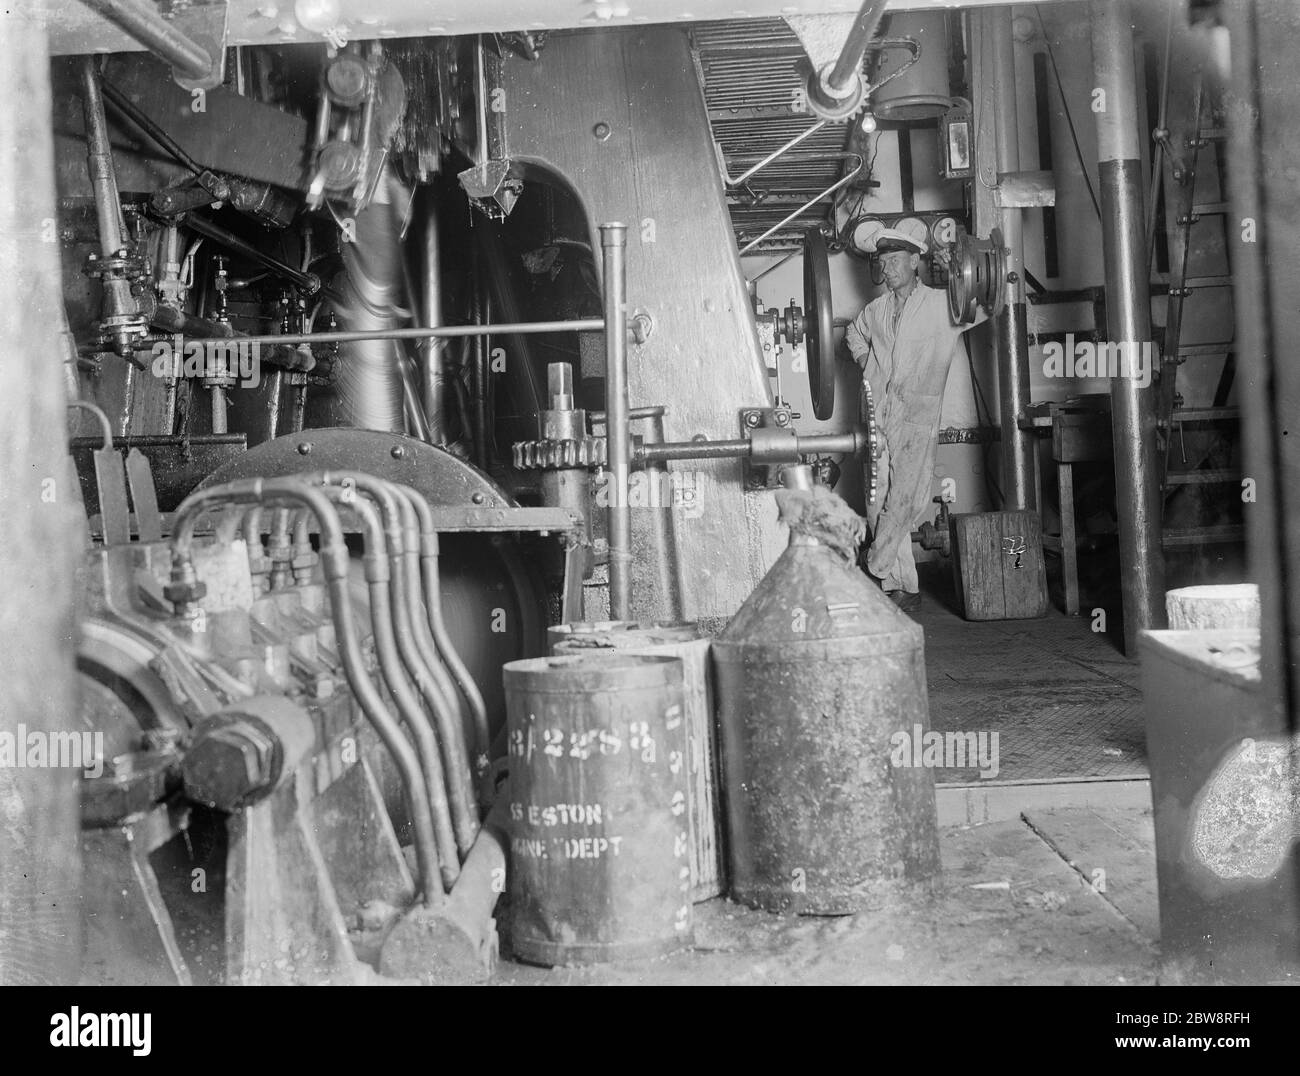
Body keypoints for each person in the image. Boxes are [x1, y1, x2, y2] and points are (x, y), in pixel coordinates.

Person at [843, 220, 984, 613]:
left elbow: (988, 307)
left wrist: (961, 271)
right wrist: (868, 362)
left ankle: (873, 568)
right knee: (877, 503)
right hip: (876, 414)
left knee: (904, 500)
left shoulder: (943, 305)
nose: (885, 269)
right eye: (882, 262)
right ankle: (902, 586)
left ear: (913, 261)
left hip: (916, 417)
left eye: (892, 260)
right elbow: (853, 335)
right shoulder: (875, 310)